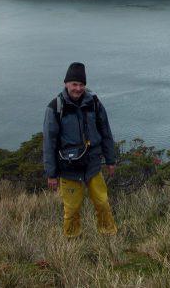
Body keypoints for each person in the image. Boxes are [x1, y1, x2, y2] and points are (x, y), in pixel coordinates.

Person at [42, 62, 117, 237]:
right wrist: (51, 173)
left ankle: (109, 235)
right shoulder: (55, 108)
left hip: (92, 164)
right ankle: (72, 239)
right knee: (72, 208)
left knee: (102, 202)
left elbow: (105, 131)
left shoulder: (94, 103)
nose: (78, 88)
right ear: (66, 83)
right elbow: (49, 143)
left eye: (81, 84)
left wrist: (110, 160)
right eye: (74, 84)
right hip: (69, 167)